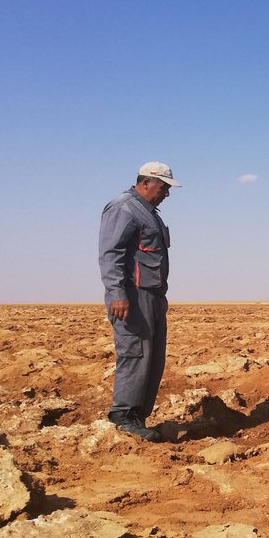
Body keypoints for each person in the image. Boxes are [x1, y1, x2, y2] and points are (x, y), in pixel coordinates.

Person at [98, 161, 181, 442]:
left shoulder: (149, 213)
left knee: (153, 358)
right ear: (146, 182)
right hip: (132, 296)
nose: (167, 194)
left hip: (153, 296)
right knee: (135, 353)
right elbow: (111, 254)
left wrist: (160, 297)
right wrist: (117, 293)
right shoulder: (123, 208)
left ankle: (138, 418)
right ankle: (123, 416)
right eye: (164, 187)